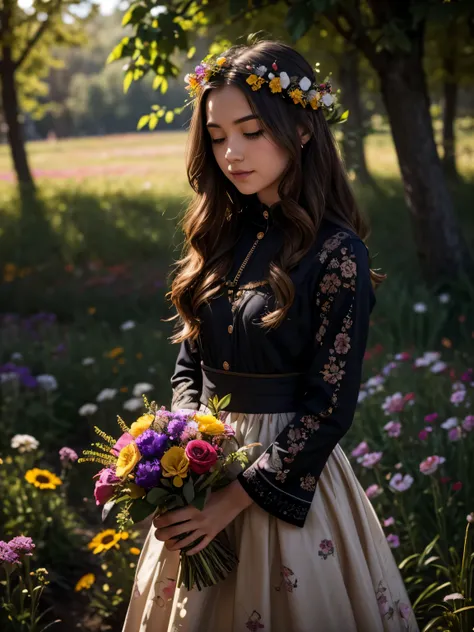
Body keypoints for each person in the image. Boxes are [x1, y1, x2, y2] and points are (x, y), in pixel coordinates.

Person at [122, 39, 418, 632]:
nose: (231, 152)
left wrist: (228, 502)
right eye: (216, 134)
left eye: (252, 130)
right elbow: (190, 367)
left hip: (285, 483)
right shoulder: (220, 240)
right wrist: (183, 456)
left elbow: (329, 407)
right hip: (202, 483)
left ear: (302, 130)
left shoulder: (338, 254)